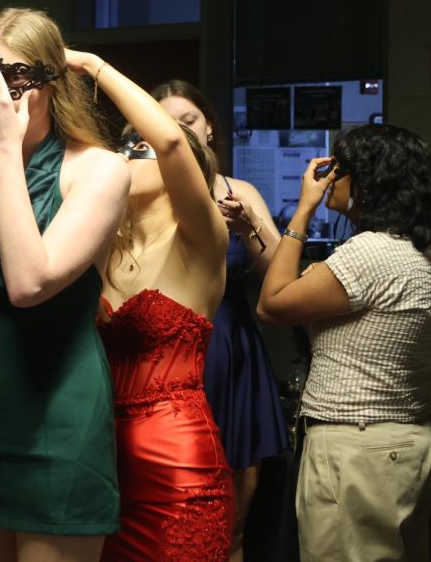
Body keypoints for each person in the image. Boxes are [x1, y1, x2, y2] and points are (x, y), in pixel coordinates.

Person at [0, 7, 130, 562]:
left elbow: (28, 281)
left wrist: (5, 152)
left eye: (14, 78)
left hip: (58, 418)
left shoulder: (100, 171)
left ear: (48, 81)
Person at [256, 124, 431, 562]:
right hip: (411, 440)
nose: (329, 177)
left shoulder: (369, 254)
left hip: (355, 449)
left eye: (338, 168)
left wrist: (302, 212)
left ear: (367, 180)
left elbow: (271, 305)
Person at [77, 55, 233, 561]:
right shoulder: (99, 250)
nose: (128, 156)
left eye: (140, 150)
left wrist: (89, 65)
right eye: (123, 148)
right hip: (99, 461)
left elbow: (168, 139)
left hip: (177, 466)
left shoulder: (201, 240)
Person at [152, 79, 287, 560]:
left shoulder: (239, 189)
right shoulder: (143, 188)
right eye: (165, 122)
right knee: (169, 504)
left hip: (229, 348)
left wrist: (249, 225)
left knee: (235, 508)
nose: (179, 130)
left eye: (187, 120)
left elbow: (280, 276)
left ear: (209, 126)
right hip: (166, 349)